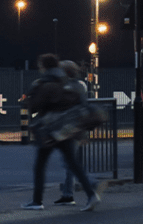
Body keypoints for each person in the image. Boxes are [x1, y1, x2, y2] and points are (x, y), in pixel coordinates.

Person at [22, 53, 100, 212]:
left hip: (49, 130)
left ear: (43, 66)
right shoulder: (68, 82)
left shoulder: (44, 83)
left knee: (40, 165)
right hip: (66, 129)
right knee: (72, 162)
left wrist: (28, 101)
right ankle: (91, 194)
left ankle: (37, 201)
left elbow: (34, 106)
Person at [55, 60, 90, 205]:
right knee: (69, 163)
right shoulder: (80, 86)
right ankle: (68, 194)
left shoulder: (67, 87)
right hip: (73, 128)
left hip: (69, 129)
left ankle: (91, 185)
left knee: (69, 163)